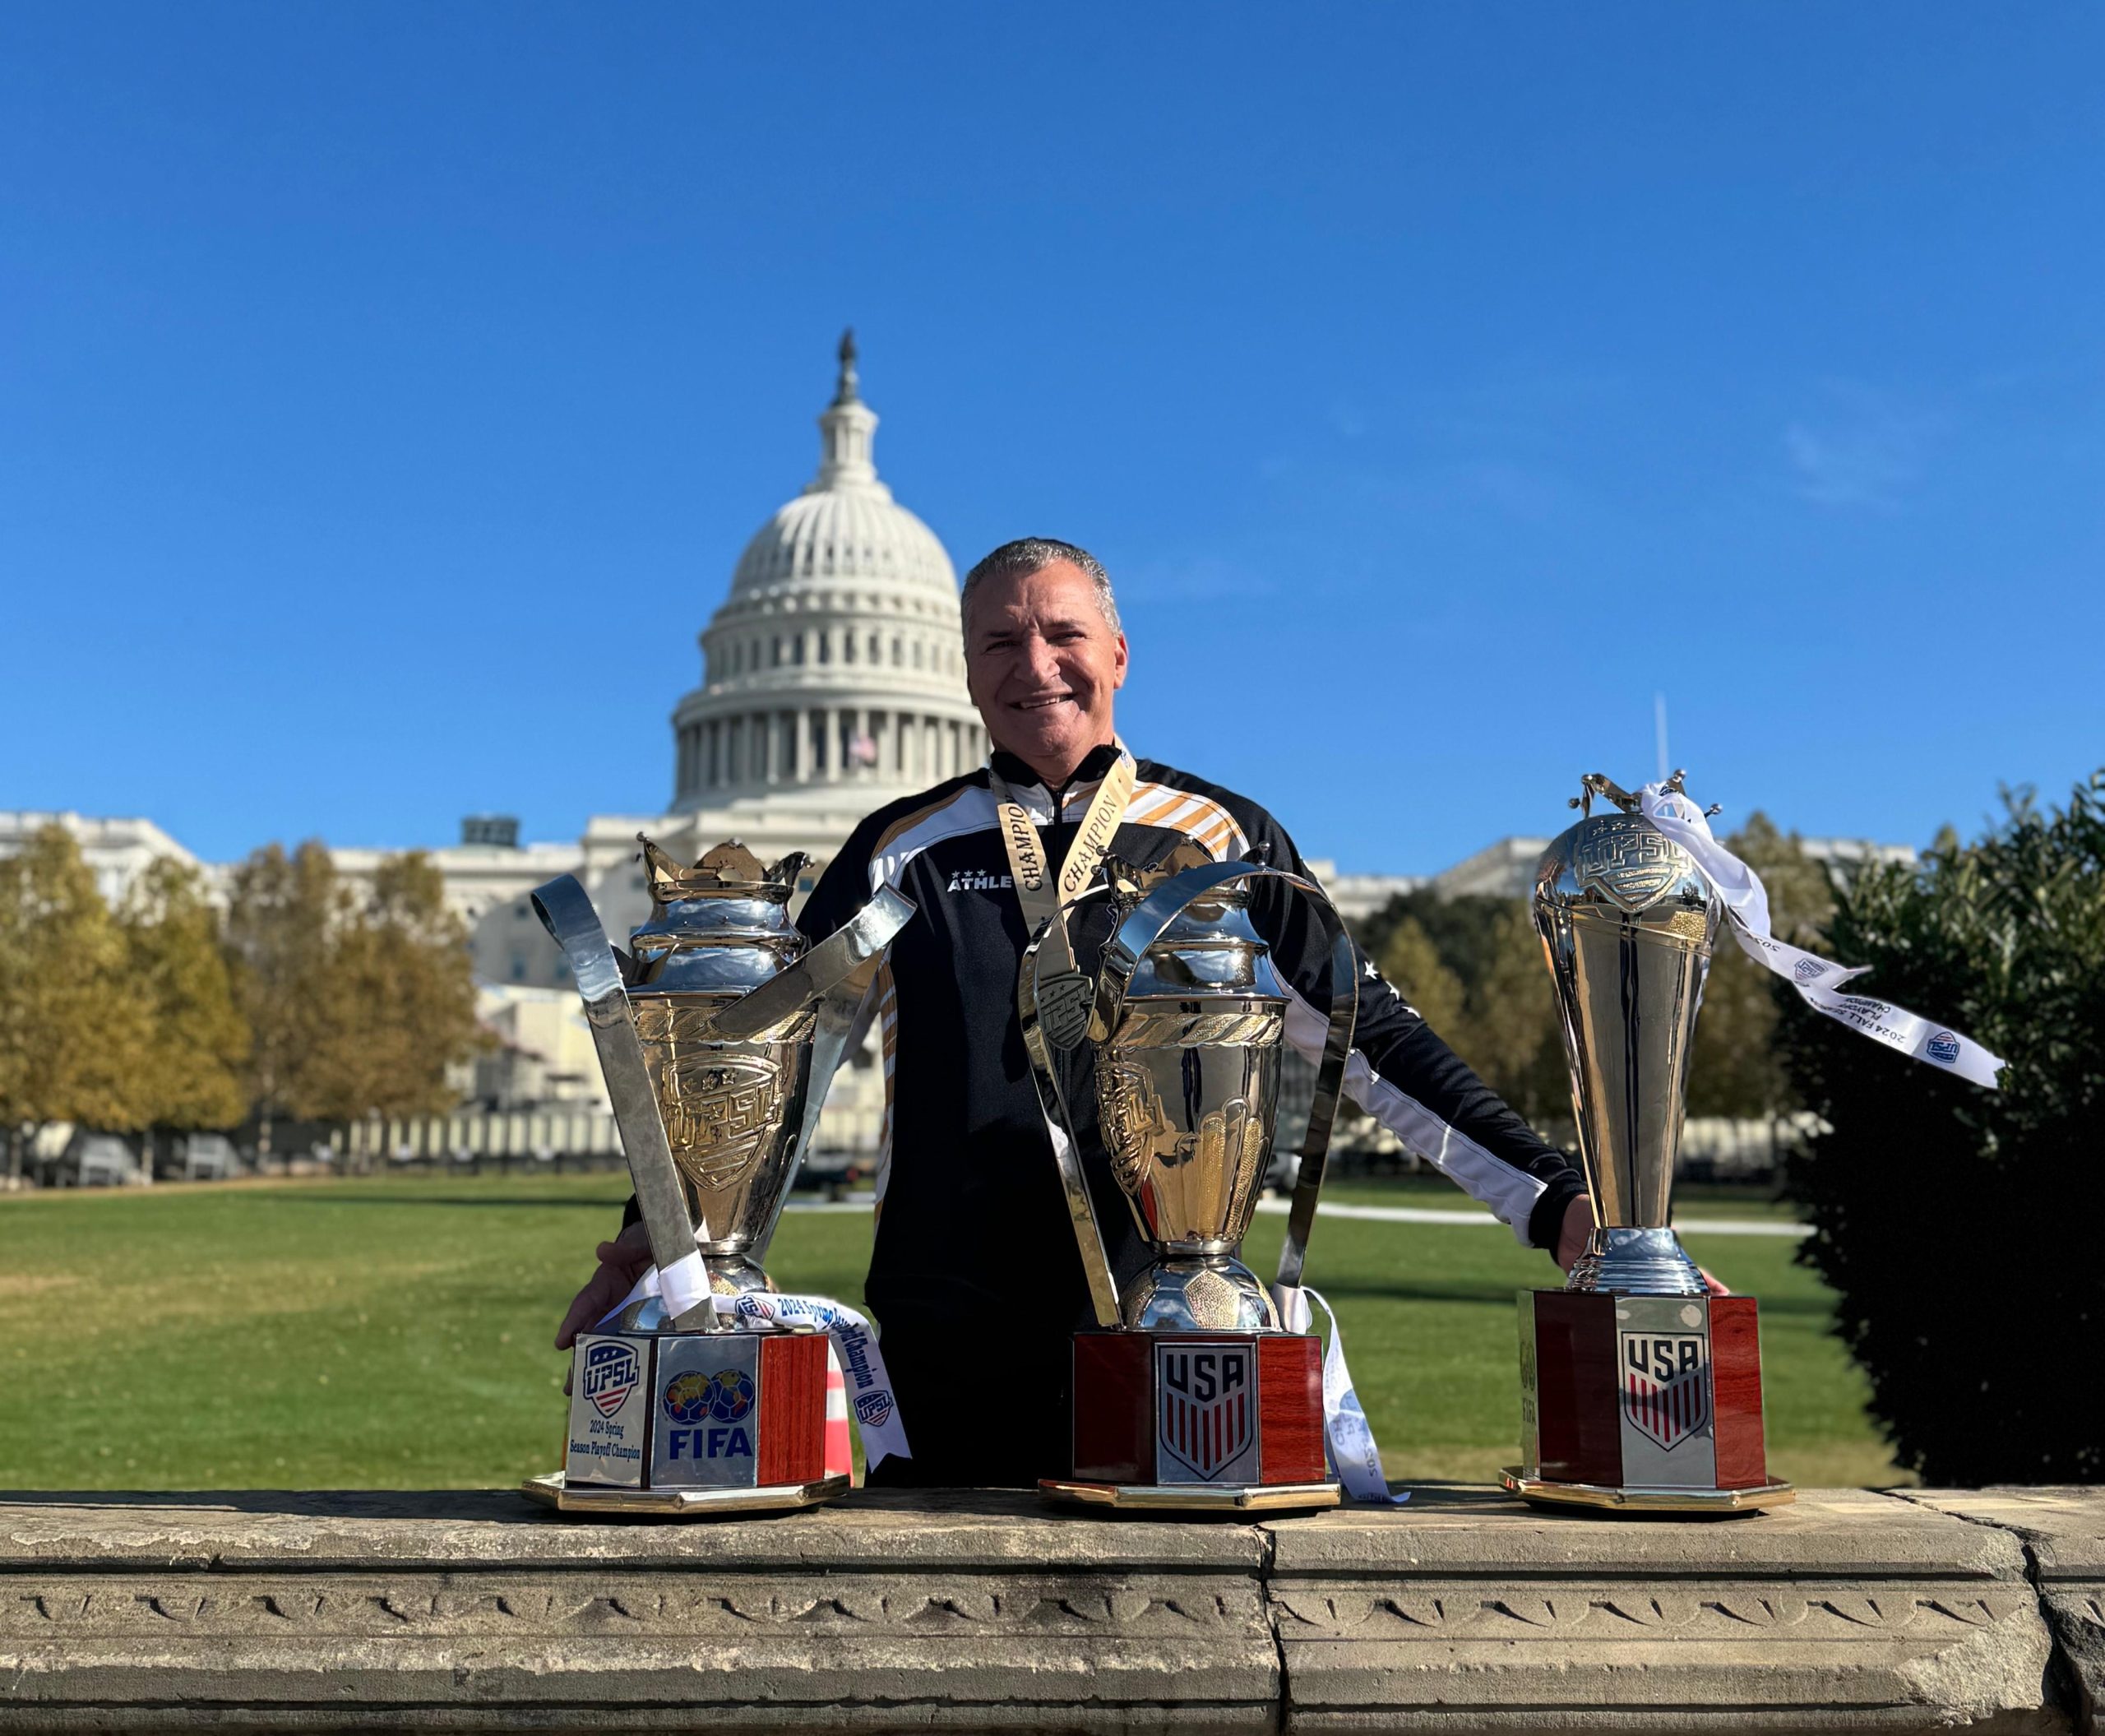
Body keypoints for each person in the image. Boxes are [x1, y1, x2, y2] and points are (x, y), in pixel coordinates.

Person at [557, 537, 1594, 1485]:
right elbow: (753, 1055)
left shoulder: (1219, 832)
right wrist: (649, 1242)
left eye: (1063, 633)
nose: (1034, 663)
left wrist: (1555, 1204)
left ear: (1120, 653)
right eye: (1000, 640)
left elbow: (1372, 1039)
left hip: (1174, 1324)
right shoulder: (900, 848)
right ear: (965, 671)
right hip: (949, 1329)